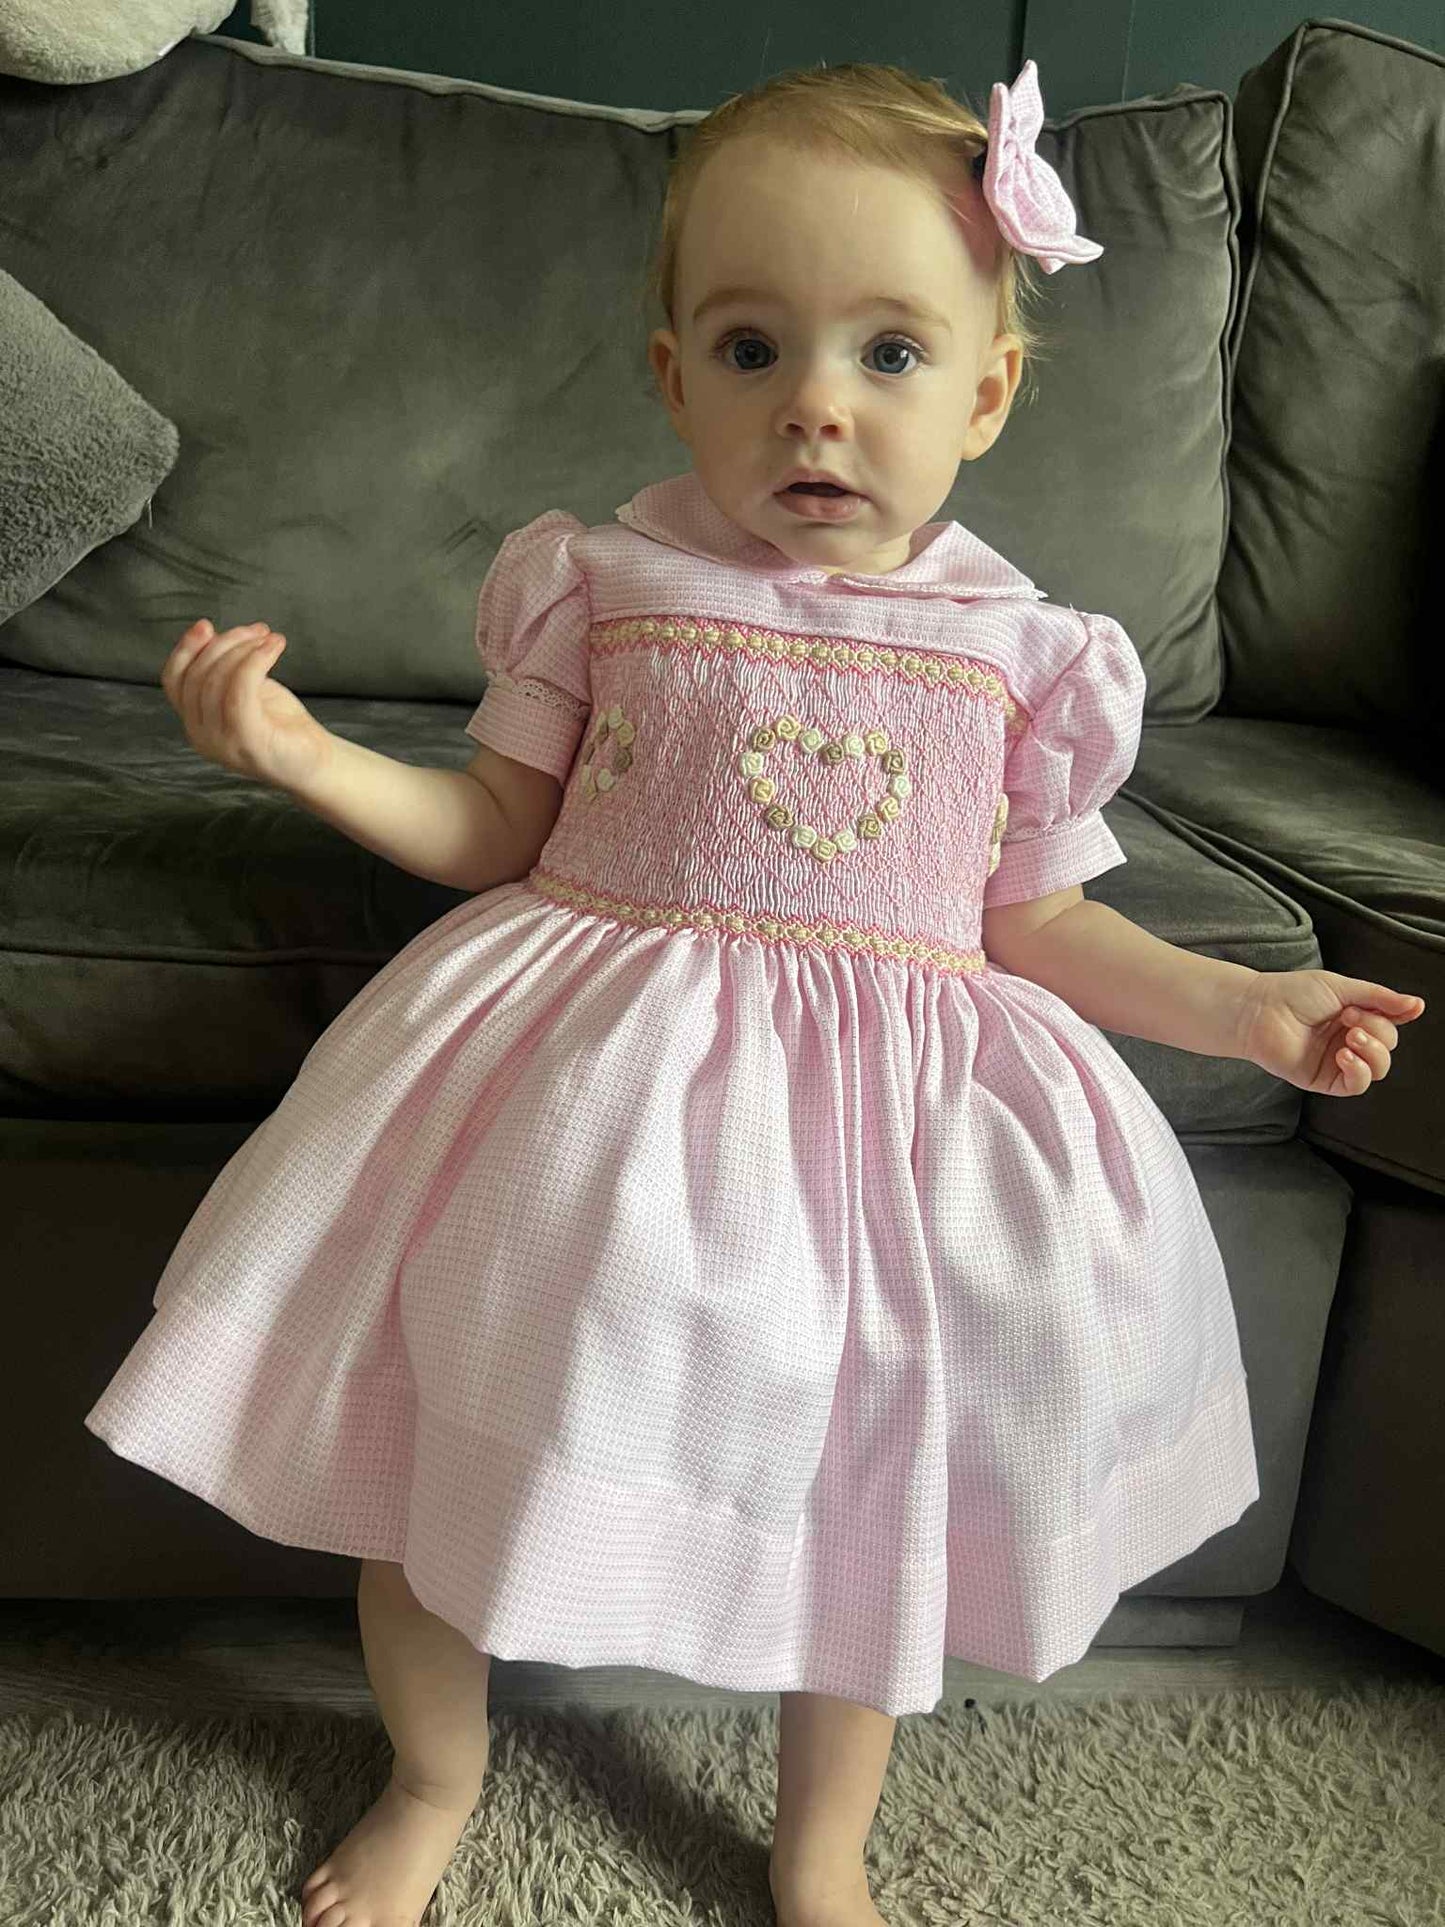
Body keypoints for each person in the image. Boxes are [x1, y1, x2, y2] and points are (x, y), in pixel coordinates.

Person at [84, 56, 1426, 1927]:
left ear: (986, 391)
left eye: (890, 352)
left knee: (864, 1499)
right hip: (583, 1105)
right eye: (748, 347)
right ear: (671, 375)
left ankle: (819, 1848)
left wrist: (1246, 1009)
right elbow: (491, 828)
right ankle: (430, 1774)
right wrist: (307, 757)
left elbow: (1039, 922)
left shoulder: (1025, 655)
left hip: (879, 1150)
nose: (813, 401)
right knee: (443, 1442)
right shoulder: (601, 581)